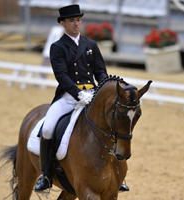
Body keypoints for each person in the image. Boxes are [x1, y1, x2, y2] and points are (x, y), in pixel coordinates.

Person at [34, 4, 129, 193]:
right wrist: (78, 93)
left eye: (78, 20)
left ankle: (118, 175)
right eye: (72, 21)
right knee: (48, 128)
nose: (76, 24)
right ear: (63, 23)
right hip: (68, 97)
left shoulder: (90, 45)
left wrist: (103, 90)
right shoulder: (57, 47)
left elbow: (101, 72)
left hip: (92, 96)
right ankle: (45, 174)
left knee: (113, 124)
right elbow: (61, 75)